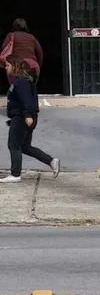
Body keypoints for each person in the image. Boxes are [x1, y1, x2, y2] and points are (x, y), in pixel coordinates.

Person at [1, 19, 60, 183]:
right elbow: (40, 53)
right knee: (24, 146)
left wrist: (27, 114)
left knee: (14, 145)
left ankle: (15, 174)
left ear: (13, 66)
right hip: (25, 114)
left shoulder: (20, 82)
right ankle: (51, 161)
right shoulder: (31, 38)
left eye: (7, 66)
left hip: (22, 117)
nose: (5, 68)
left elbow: (26, 99)